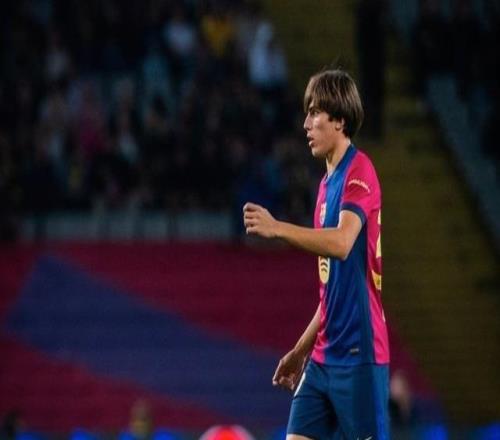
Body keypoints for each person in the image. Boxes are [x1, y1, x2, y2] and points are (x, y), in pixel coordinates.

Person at [243, 69, 390, 439]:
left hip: (359, 355)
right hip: (323, 358)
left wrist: (278, 228)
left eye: (314, 113)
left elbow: (342, 243)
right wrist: (299, 351)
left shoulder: (360, 170)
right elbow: (330, 293)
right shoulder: (325, 187)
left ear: (339, 120)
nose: (306, 124)